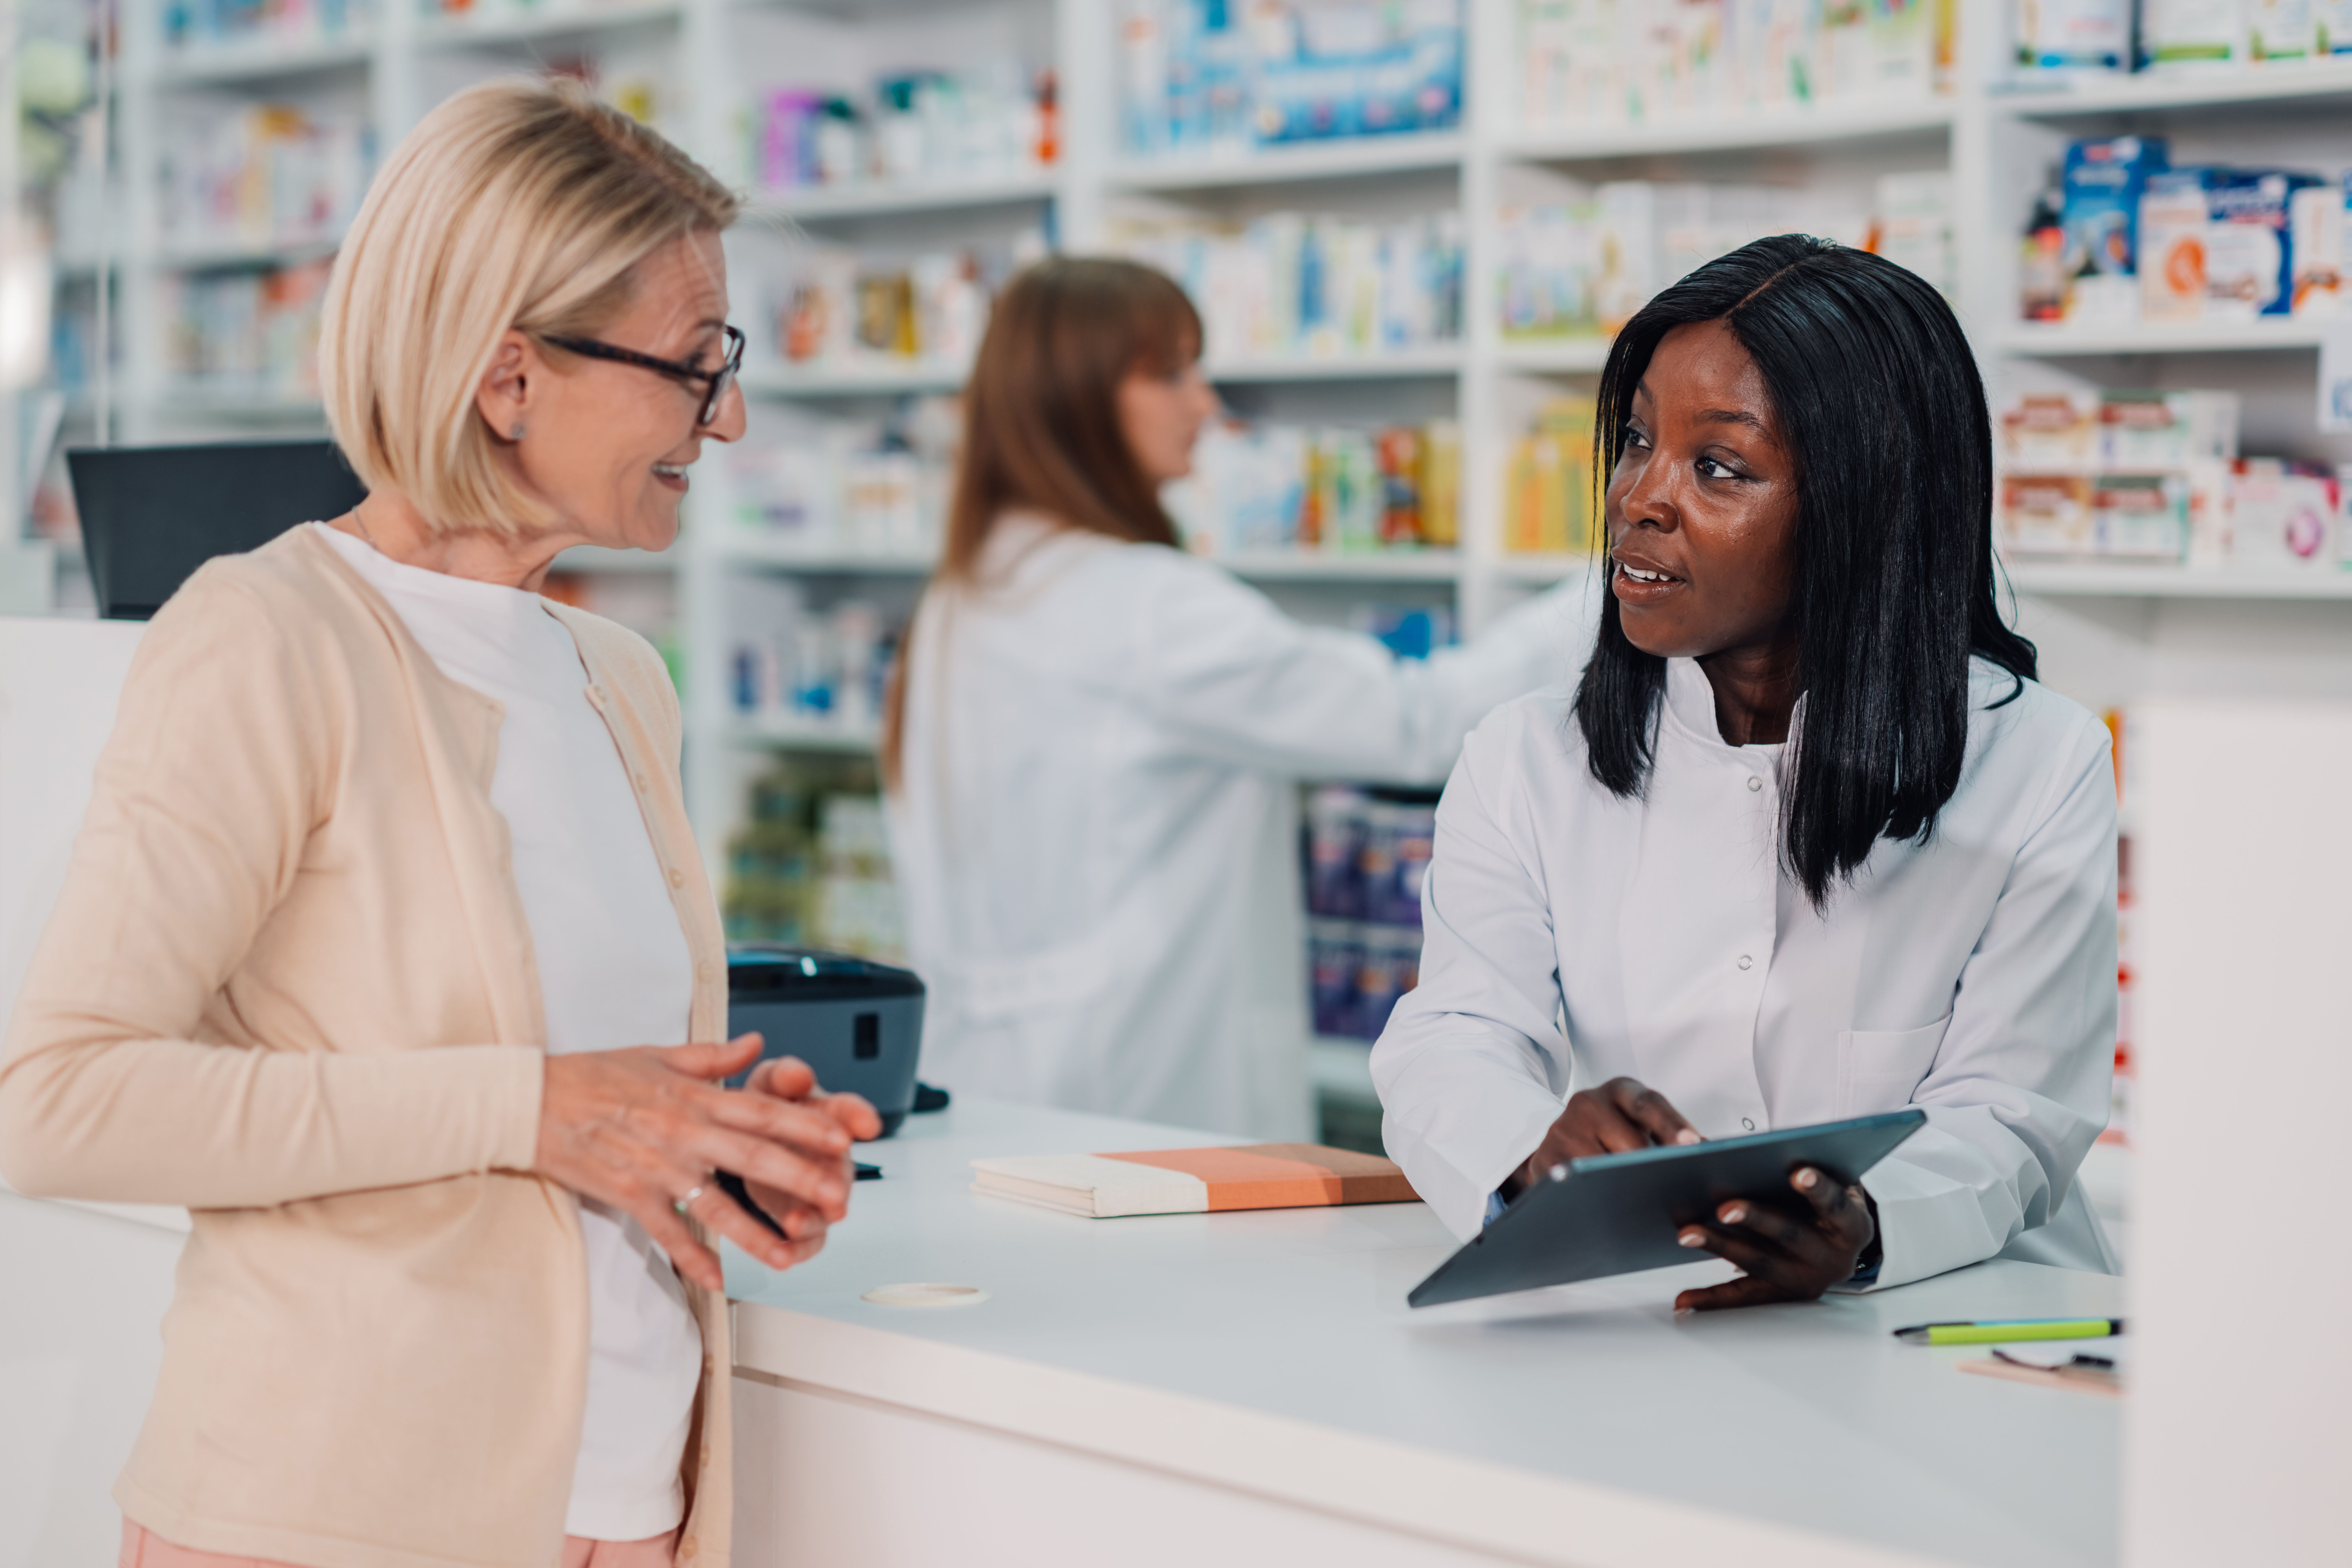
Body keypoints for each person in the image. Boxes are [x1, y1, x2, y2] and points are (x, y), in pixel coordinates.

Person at [0, 79, 877, 1568]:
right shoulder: (270, 638)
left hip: (624, 1512)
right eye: (690, 363)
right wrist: (540, 1107)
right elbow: (56, 1097)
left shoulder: (613, 675)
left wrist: (711, 1144)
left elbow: (574, 1103)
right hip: (334, 1514)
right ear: (510, 377)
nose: (723, 414)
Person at [1373, 235, 2120, 1307]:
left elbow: (2012, 1110)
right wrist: (1532, 1147)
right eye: (1636, 441)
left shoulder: (2037, 761)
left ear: (1868, 509)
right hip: (1659, 1331)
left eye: (1717, 466)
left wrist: (1865, 1226)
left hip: (1959, 1330)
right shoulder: (1524, 760)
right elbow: (1456, 1034)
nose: (1640, 498)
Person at [884, 257, 1594, 1142]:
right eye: (1171, 372)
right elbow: (1417, 721)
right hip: (1122, 1102)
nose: (1205, 405)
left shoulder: (966, 593)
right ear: (1076, 395)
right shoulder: (1141, 607)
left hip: (980, 1084)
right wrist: (1611, 582)